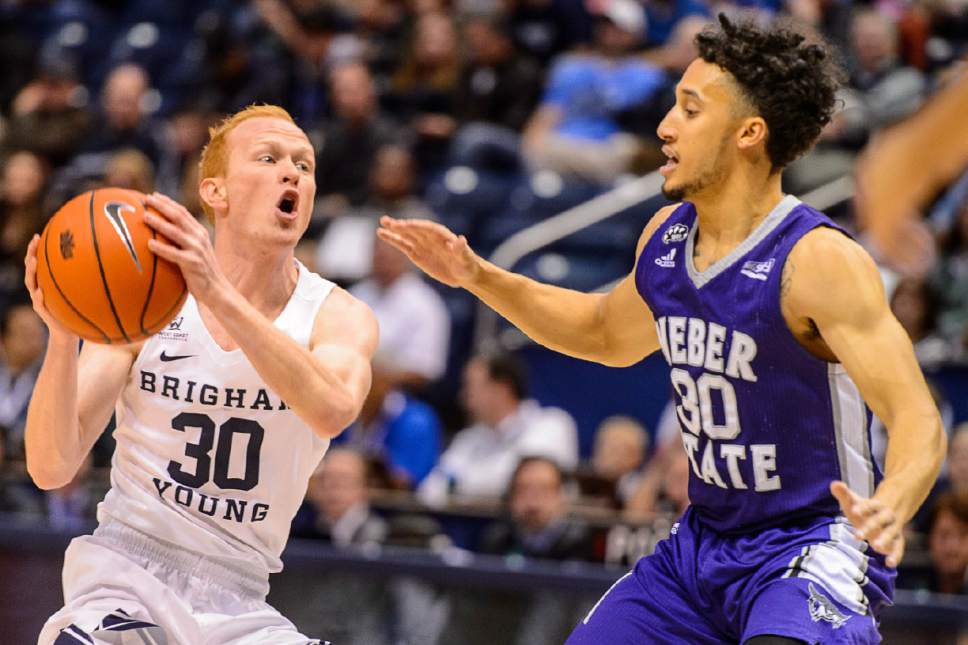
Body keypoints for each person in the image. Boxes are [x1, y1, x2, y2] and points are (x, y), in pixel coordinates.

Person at [380, 15, 946, 644]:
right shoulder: (667, 236)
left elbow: (916, 417)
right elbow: (601, 333)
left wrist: (892, 504)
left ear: (749, 134)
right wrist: (478, 276)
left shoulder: (817, 260)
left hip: (810, 546)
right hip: (701, 544)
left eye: (689, 109)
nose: (664, 127)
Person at [24, 104, 378, 644]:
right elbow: (52, 467)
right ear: (216, 193)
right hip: (126, 572)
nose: (293, 174)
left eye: (304, 166)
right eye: (269, 158)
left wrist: (216, 290)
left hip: (241, 597)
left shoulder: (337, 315)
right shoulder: (146, 295)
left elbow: (331, 409)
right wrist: (63, 335)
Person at [417, 351, 578, 504]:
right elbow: (431, 488)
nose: (463, 396)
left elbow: (515, 483)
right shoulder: (468, 438)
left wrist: (457, 485)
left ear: (501, 388)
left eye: (471, 386)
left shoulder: (552, 424)